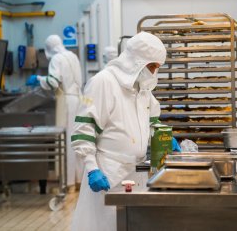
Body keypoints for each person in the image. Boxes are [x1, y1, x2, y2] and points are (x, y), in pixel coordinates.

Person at [70, 31, 180, 231]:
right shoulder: (103, 82)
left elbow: (150, 121)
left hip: (134, 173)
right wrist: (92, 168)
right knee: (104, 225)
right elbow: (83, 130)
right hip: (107, 175)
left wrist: (163, 136)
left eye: (157, 67)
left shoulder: (141, 87)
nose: (154, 72)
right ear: (136, 61)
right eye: (152, 66)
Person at [26, 34, 83, 188]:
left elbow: (53, 82)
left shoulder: (56, 59)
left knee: (66, 141)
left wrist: (38, 79)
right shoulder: (73, 56)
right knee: (77, 140)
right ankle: (79, 180)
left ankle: (68, 183)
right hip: (78, 100)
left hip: (66, 101)